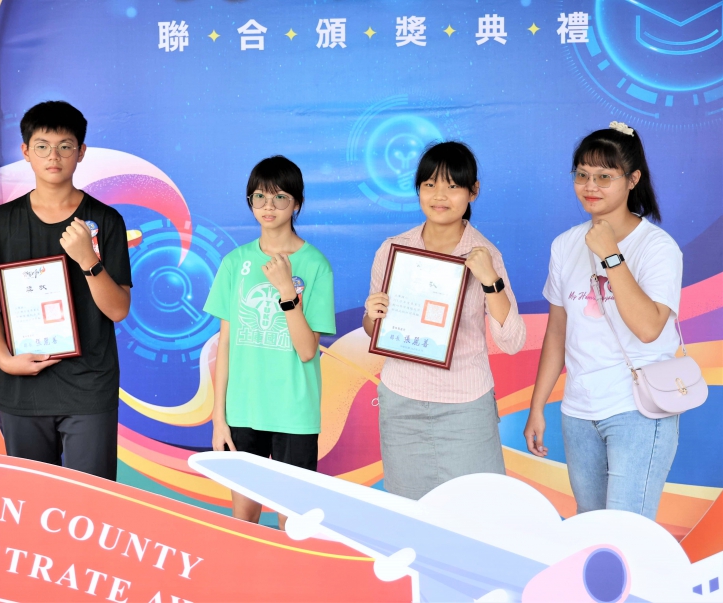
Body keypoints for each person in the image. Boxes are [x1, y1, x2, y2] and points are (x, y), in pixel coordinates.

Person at [0, 100, 131, 480]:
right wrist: (5, 360)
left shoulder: (105, 220)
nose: (53, 156)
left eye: (65, 146)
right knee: (32, 502)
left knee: (93, 501)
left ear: (81, 152)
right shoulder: (0, 222)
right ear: (26, 151)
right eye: (42, 146)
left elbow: (118, 309)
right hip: (24, 386)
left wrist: (88, 259)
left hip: (89, 387)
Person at [523, 122, 681, 520]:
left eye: (604, 177)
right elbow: (557, 332)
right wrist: (537, 406)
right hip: (578, 411)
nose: (590, 186)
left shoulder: (657, 247)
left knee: (627, 531)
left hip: (637, 409)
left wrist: (611, 255)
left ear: (632, 180)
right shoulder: (565, 244)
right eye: (582, 175)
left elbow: (649, 328)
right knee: (592, 527)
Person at [363, 141, 526, 500]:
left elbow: (512, 341)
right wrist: (372, 316)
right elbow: (376, 331)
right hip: (401, 402)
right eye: (430, 184)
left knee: (477, 511)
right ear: (418, 189)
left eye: (453, 186)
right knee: (408, 511)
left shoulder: (486, 255)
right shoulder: (393, 250)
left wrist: (490, 280)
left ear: (473, 191)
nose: (440, 195)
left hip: (465, 406)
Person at [204, 156, 335, 530]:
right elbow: (225, 344)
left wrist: (286, 291)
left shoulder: (316, 265)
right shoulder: (236, 262)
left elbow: (307, 350)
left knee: (292, 524)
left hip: (294, 412)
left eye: (279, 197)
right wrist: (219, 417)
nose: (268, 206)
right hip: (243, 410)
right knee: (243, 520)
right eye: (259, 196)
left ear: (297, 203)